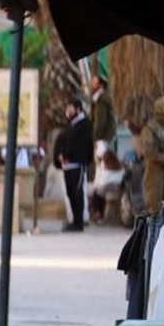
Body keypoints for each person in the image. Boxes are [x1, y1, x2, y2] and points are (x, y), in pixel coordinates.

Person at [54, 98, 93, 231]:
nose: (68, 111)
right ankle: (74, 221)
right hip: (67, 165)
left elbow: (81, 146)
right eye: (67, 108)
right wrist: (60, 156)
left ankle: (79, 223)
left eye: (71, 108)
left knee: (77, 192)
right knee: (70, 193)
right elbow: (63, 141)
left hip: (77, 164)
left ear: (78, 109)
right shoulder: (71, 125)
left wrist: (67, 155)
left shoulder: (85, 125)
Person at [89, 149, 126, 224]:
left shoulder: (107, 170)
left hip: (108, 188)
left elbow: (102, 182)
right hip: (117, 188)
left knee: (96, 193)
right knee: (98, 193)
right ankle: (98, 213)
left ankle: (98, 213)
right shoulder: (120, 168)